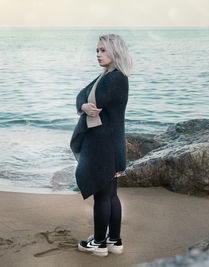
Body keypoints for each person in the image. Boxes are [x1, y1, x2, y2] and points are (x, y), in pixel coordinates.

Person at [70, 33, 132, 257]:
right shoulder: (112, 75)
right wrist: (84, 105)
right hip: (113, 145)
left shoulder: (112, 79)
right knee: (111, 195)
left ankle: (98, 243)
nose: (98, 54)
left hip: (103, 145)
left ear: (115, 51)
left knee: (102, 197)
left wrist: (86, 105)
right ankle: (114, 240)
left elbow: (92, 101)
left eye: (103, 50)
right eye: (97, 50)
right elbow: (82, 96)